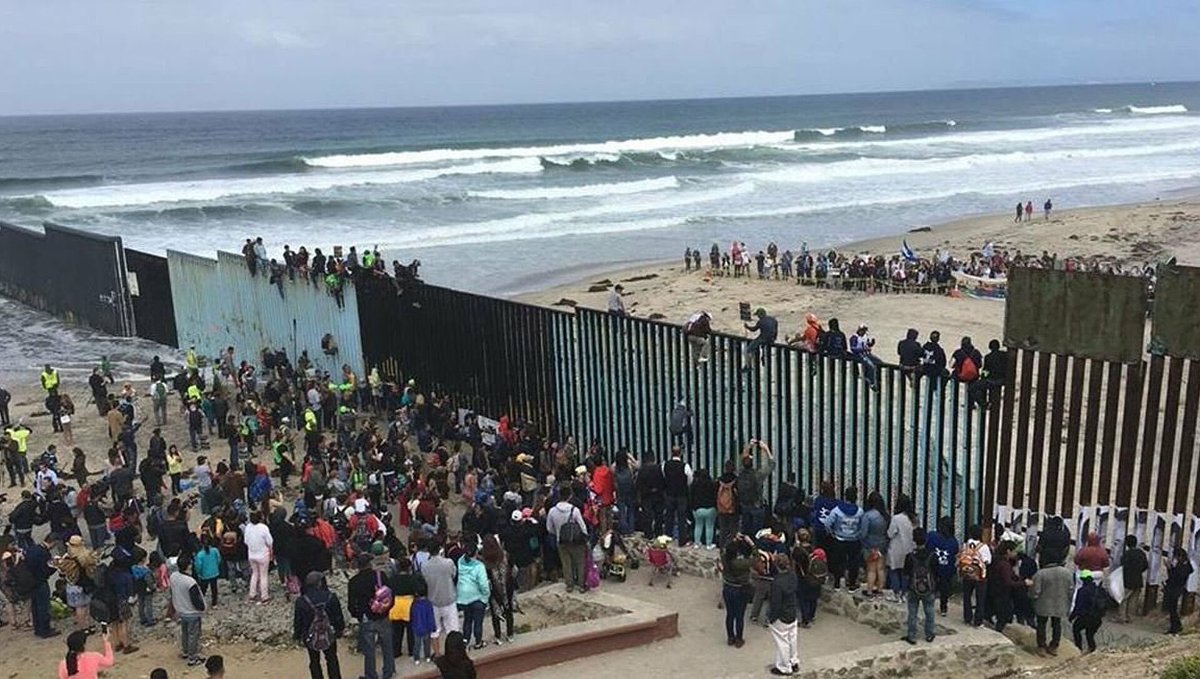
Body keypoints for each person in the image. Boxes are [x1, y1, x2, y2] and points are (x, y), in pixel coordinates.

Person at [348, 553, 395, 679]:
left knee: (369, 649)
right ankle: (388, 671)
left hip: (366, 617)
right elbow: (391, 594)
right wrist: (387, 609)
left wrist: (358, 615)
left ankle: (371, 674)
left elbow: (351, 605)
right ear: (370, 563)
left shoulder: (354, 581)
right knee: (387, 645)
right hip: (383, 615)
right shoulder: (381, 575)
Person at [294, 572, 346, 679]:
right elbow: (338, 616)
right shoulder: (331, 597)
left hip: (310, 635)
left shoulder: (301, 601)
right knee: (332, 659)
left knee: (314, 661)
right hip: (329, 633)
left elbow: (298, 621)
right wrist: (340, 629)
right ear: (320, 583)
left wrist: (297, 636)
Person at [822, 487, 866, 591]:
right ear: (856, 497)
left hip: (839, 539)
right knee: (853, 563)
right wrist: (857, 535)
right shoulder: (860, 511)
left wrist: (832, 533)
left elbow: (827, 524)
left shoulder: (837, 510)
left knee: (838, 562)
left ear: (845, 496)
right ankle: (852, 584)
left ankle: (837, 583)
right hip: (854, 541)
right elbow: (862, 526)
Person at [421, 540, 459, 657]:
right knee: (453, 629)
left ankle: (437, 654)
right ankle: (454, 653)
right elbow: (454, 575)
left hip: (433, 600)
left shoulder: (424, 566)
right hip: (449, 599)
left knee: (435, 630)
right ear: (439, 549)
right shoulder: (448, 563)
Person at [169, 554, 208, 666]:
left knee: (185, 633)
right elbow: (196, 600)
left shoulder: (173, 576)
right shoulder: (190, 582)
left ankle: (185, 651)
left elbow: (172, 592)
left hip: (180, 610)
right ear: (189, 566)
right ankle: (193, 657)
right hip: (192, 612)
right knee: (193, 635)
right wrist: (202, 608)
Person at [546, 493, 589, 593]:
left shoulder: (552, 511)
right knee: (580, 562)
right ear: (569, 497)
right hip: (576, 541)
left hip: (561, 541)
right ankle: (581, 585)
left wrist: (557, 533)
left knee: (566, 564)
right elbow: (582, 526)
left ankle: (569, 585)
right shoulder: (574, 510)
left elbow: (549, 528)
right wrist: (585, 538)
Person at [1029, 559, 1072, 656]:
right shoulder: (1066, 572)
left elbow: (1035, 591)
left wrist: (1031, 597)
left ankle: (1041, 646)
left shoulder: (1040, 574)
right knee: (1057, 624)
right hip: (1060, 603)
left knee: (1041, 624)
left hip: (1043, 604)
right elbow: (1071, 589)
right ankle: (1054, 646)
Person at [902, 527, 937, 644]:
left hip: (913, 588)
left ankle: (912, 635)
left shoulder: (910, 556)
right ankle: (930, 634)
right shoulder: (932, 555)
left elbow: (906, 573)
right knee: (930, 611)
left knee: (912, 612)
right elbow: (936, 572)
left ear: (914, 540)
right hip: (929, 587)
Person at [766, 554, 799, 676]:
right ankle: (794, 661)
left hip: (782, 615)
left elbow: (776, 603)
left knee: (782, 642)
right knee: (792, 638)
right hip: (792, 611)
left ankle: (785, 667)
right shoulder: (793, 576)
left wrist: (771, 618)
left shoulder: (777, 583)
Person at [721, 534, 755, 648]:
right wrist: (752, 544)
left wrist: (733, 540)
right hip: (741, 589)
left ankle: (730, 637)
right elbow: (757, 557)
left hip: (728, 588)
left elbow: (725, 547)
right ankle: (739, 639)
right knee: (739, 616)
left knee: (730, 614)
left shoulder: (724, 558)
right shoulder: (742, 563)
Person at [455, 541, 490, 650]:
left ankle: (465, 640)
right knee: (478, 621)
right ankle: (478, 642)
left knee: (467, 620)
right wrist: (486, 596)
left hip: (463, 596)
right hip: (477, 597)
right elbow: (483, 585)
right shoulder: (479, 566)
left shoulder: (460, 561)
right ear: (476, 553)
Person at [737, 439, 774, 536]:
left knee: (746, 531)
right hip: (756, 505)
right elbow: (771, 465)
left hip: (744, 505)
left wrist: (749, 446)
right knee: (757, 532)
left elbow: (742, 460)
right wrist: (766, 449)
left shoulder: (740, 473)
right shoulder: (758, 475)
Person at [925, 516, 960, 616]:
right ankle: (943, 608)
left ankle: (929, 606)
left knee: (931, 586)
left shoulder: (932, 536)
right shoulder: (953, 541)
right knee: (945, 588)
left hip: (933, 566)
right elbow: (955, 553)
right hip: (947, 568)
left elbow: (927, 547)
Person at [959, 525, 990, 627]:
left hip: (966, 574)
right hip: (979, 576)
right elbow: (988, 561)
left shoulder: (966, 545)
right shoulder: (984, 547)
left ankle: (967, 618)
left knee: (967, 596)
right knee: (980, 599)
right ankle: (978, 621)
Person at [886, 496, 916, 602]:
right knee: (905, 572)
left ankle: (896, 594)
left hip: (896, 548)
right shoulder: (914, 519)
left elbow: (890, 533)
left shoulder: (896, 518)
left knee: (894, 571)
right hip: (909, 549)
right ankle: (904, 594)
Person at [662, 445, 693, 542]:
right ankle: (682, 539)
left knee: (669, 517)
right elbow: (690, 480)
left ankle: (668, 536)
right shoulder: (685, 466)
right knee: (681, 518)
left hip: (669, 494)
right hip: (681, 495)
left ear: (671, 453)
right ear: (681, 454)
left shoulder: (665, 464)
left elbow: (664, 476)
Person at [1070, 570, 1103, 653]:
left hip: (1086, 617)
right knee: (1090, 634)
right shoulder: (1100, 590)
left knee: (1076, 629)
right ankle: (1092, 649)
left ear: (1083, 580)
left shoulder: (1082, 591)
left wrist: (1072, 616)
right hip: (1097, 618)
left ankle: (1078, 648)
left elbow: (1078, 606)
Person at [244, 511, 273, 603]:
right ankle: (264, 596)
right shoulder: (263, 528)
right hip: (263, 554)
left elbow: (246, 541)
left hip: (252, 554)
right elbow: (270, 541)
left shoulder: (248, 527)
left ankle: (252, 594)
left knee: (254, 574)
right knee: (263, 575)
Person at [1164, 547, 1193, 635]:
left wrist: (1169, 568)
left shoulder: (1184, 567)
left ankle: (1175, 627)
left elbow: (1175, 577)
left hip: (1175, 588)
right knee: (1172, 609)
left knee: (1172, 609)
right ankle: (1176, 626)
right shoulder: (1184, 566)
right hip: (1176, 588)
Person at [1118, 535, 1148, 623]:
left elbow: (1123, 564)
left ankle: (1122, 617)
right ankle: (1130, 617)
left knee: (1124, 599)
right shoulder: (1141, 553)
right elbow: (1146, 565)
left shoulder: (1127, 554)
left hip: (1128, 580)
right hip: (1138, 579)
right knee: (1133, 600)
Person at [690, 469, 718, 549]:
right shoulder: (713, 484)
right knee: (710, 526)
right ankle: (709, 544)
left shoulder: (695, 485)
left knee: (698, 526)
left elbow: (691, 496)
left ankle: (697, 543)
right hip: (710, 509)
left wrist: (693, 508)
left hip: (698, 509)